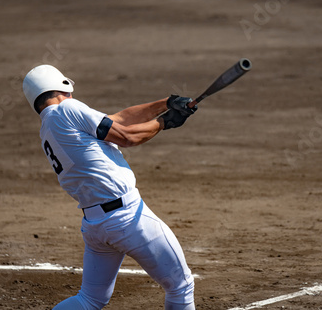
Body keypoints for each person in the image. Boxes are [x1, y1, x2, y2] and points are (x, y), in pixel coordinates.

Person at [22, 64, 197, 310]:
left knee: (89, 299)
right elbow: (127, 136)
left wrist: (167, 103)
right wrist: (164, 123)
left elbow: (119, 120)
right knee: (181, 286)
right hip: (127, 220)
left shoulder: (50, 128)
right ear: (63, 87)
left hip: (95, 227)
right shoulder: (68, 109)